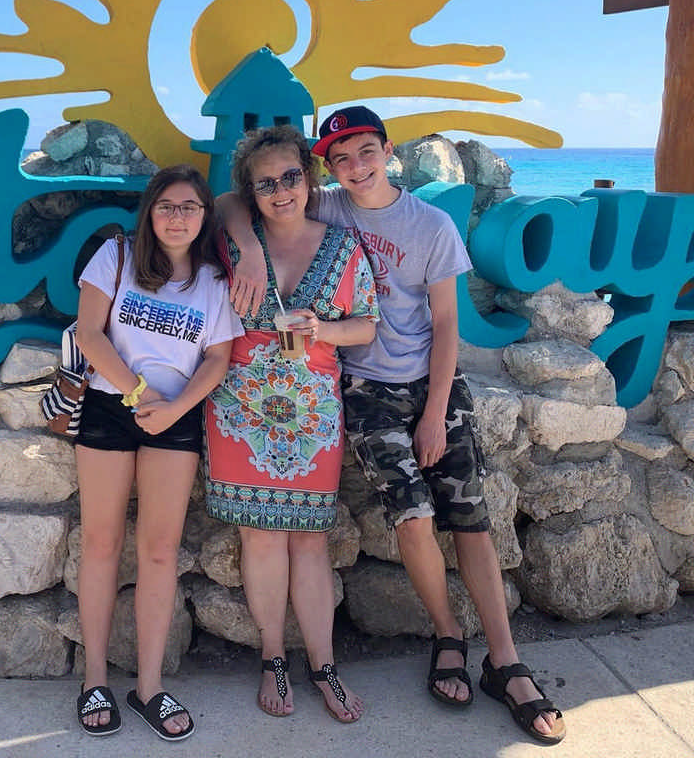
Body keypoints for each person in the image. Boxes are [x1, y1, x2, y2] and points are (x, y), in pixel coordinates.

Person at [222, 106, 566, 746]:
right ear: (328, 165)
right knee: (412, 517)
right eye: (341, 157)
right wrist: (245, 249)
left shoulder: (430, 224)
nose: (355, 166)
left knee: (470, 521)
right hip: (364, 390)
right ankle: (446, 636)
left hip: (433, 387)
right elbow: (235, 197)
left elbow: (446, 327)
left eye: (365, 151)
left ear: (387, 150)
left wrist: (435, 411)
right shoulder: (326, 203)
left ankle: (508, 663)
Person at [206, 126, 379, 723]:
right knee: (259, 537)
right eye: (266, 184)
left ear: (310, 178)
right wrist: (249, 248)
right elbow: (215, 203)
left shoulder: (344, 247)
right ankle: (274, 658)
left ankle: (324, 667)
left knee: (310, 541)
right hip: (239, 410)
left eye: (291, 177)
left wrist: (322, 330)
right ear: (251, 193)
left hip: (312, 416)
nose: (281, 191)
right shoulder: (234, 241)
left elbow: (367, 326)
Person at [73, 164, 242, 741]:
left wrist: (173, 408)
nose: (177, 217)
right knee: (100, 544)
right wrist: (138, 392)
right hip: (109, 406)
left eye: (190, 207)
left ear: (204, 216)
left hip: (176, 417)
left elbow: (218, 358)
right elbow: (89, 332)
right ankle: (94, 678)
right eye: (167, 206)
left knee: (160, 553)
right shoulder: (115, 256)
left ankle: (149, 686)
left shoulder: (213, 280)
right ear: (150, 211)